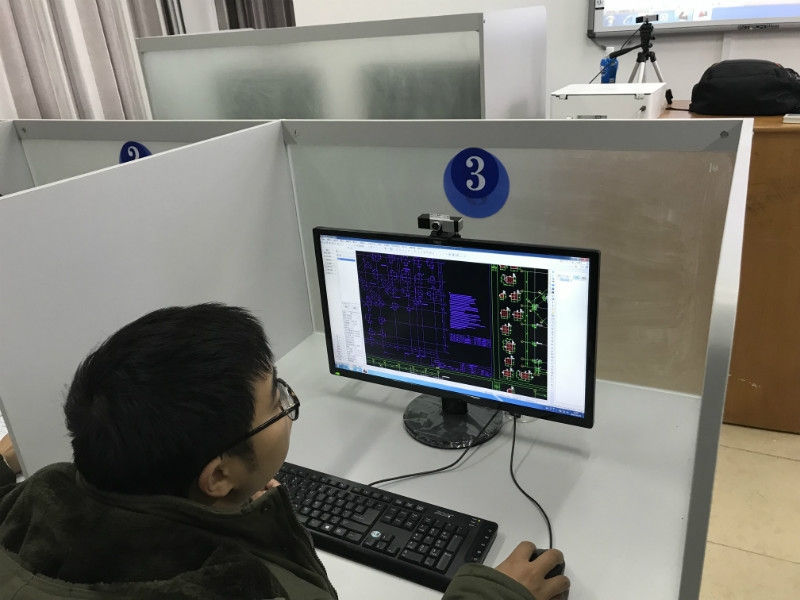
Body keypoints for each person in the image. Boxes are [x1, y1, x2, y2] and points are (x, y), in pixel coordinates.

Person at [0, 303, 570, 600]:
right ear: (216, 476)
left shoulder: (32, 502)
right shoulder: (245, 587)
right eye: (277, 400)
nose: (287, 407)